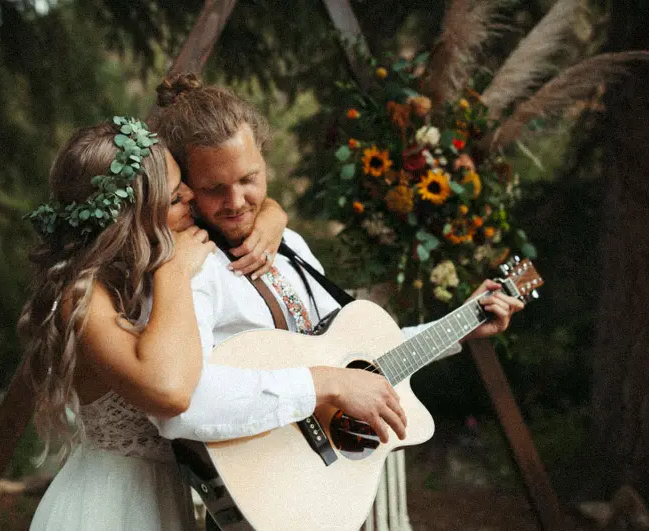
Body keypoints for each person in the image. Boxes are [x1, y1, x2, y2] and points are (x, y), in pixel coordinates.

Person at [149, 74, 525, 529]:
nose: (237, 202)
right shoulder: (189, 272)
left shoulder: (290, 245)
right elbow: (184, 401)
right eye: (213, 189)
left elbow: (353, 360)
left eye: (249, 179)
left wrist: (461, 324)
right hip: (264, 497)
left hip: (328, 487)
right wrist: (324, 383)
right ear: (185, 187)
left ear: (265, 162)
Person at [19, 116, 290, 531]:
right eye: (177, 197)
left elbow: (239, 202)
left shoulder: (140, 265)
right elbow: (169, 389)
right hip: (107, 509)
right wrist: (174, 270)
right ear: (135, 216)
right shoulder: (84, 296)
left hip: (163, 500)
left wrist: (273, 216)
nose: (193, 201)